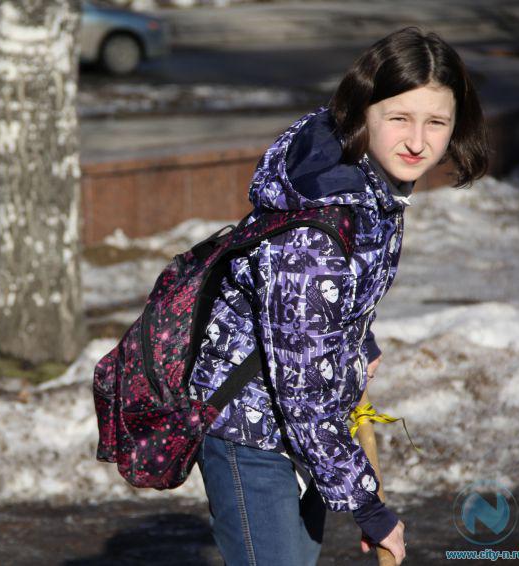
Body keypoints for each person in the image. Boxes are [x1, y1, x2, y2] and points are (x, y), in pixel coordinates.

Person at [189, 27, 488, 566]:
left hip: (296, 426)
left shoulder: (368, 184)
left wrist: (357, 339)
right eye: (399, 118)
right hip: (252, 430)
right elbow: (304, 390)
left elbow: (326, 302)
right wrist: (369, 508)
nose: (417, 141)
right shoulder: (317, 229)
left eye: (436, 122)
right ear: (362, 112)